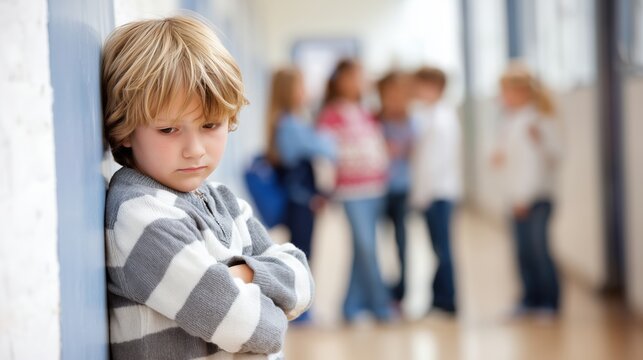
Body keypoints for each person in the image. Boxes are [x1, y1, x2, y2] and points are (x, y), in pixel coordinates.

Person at [101, 16, 314, 360]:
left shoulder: (221, 200)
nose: (195, 149)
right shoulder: (140, 215)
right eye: (169, 129)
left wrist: (242, 273)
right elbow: (258, 330)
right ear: (125, 129)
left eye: (210, 125)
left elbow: (302, 279)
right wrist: (271, 293)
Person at [317, 59, 392, 322]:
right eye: (354, 77)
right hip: (350, 191)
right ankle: (381, 306)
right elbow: (325, 157)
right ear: (341, 80)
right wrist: (324, 191)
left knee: (364, 249)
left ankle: (350, 307)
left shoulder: (366, 111)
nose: (360, 82)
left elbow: (377, 146)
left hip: (376, 187)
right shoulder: (330, 114)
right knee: (367, 247)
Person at [265, 67, 336, 323]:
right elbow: (324, 148)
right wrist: (326, 139)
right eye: (300, 86)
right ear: (288, 91)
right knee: (302, 252)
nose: (304, 92)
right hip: (301, 199)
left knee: (302, 249)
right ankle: (302, 311)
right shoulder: (290, 124)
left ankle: (302, 308)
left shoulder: (290, 121)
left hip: (303, 198)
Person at [491, 62, 562, 316]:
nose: (503, 98)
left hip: (535, 198)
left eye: (506, 92)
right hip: (516, 198)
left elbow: (545, 161)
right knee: (522, 252)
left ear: (523, 92)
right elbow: (512, 159)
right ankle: (529, 299)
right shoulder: (511, 121)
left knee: (538, 250)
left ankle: (548, 303)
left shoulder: (539, 120)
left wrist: (524, 197)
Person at [409, 66, 462, 314]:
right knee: (438, 248)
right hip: (433, 192)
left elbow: (436, 163)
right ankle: (439, 299)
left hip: (438, 193)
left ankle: (446, 301)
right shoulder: (428, 115)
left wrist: (423, 194)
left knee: (443, 249)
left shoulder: (441, 118)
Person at [375, 71, 414, 305]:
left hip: (401, 189)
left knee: (402, 242)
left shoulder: (410, 121)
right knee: (378, 244)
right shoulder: (376, 120)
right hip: (378, 189)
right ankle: (381, 291)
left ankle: (401, 292)